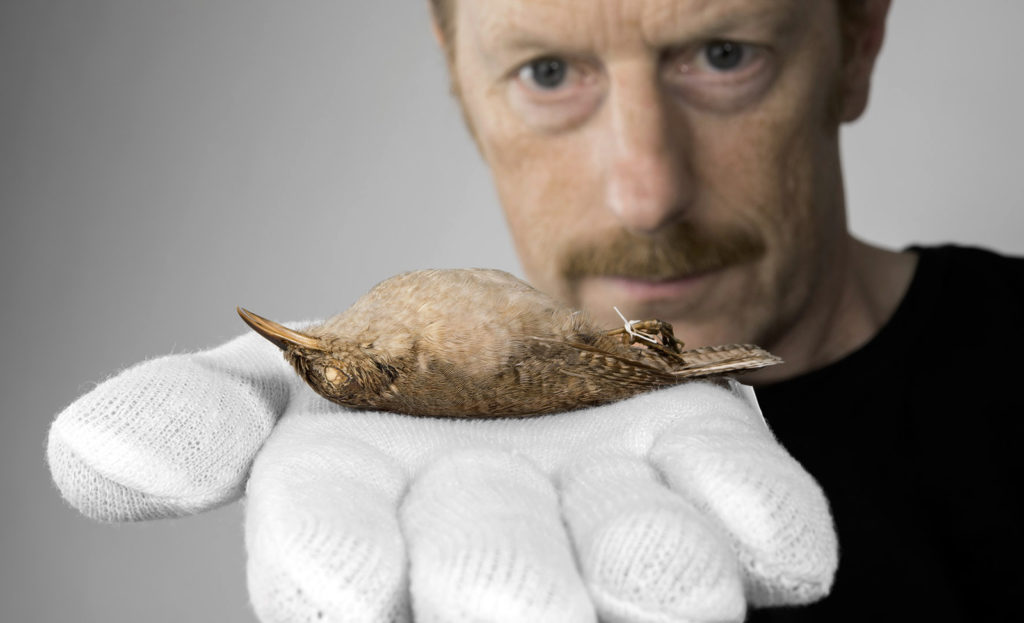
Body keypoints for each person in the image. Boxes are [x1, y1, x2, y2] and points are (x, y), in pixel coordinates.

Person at [45, 0, 1023, 621]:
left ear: (856, 42)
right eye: (548, 74)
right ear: (461, 85)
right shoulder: (407, 512)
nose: (645, 193)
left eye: (722, 54)